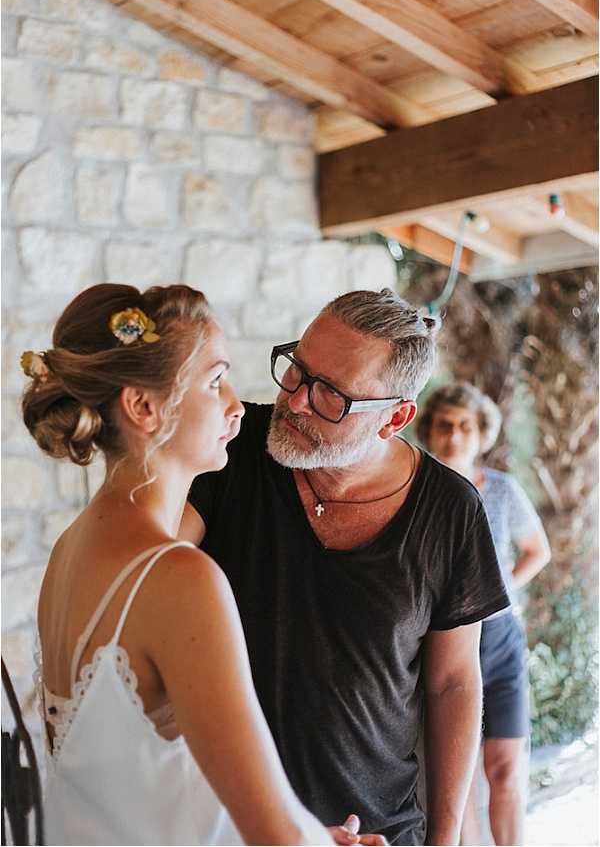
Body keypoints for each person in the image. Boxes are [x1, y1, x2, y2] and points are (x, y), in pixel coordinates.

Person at [181, 289, 511, 846]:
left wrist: (445, 839)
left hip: (376, 832)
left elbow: (453, 683)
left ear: (396, 418)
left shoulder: (450, 510)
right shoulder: (228, 452)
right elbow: (147, 571)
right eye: (297, 370)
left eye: (331, 395)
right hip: (224, 825)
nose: (297, 401)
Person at [24, 283, 339, 846]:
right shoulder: (179, 578)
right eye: (214, 381)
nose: (236, 405)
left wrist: (315, 835)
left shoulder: (70, 550)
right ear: (143, 407)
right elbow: (276, 838)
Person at [417, 383, 551, 846]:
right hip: (443, 644)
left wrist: (496, 592)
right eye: (444, 425)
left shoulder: (503, 491)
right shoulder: (415, 491)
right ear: (429, 431)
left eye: (465, 427)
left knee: (506, 766)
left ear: (481, 435)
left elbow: (537, 550)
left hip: (499, 643)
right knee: (460, 773)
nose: (454, 436)